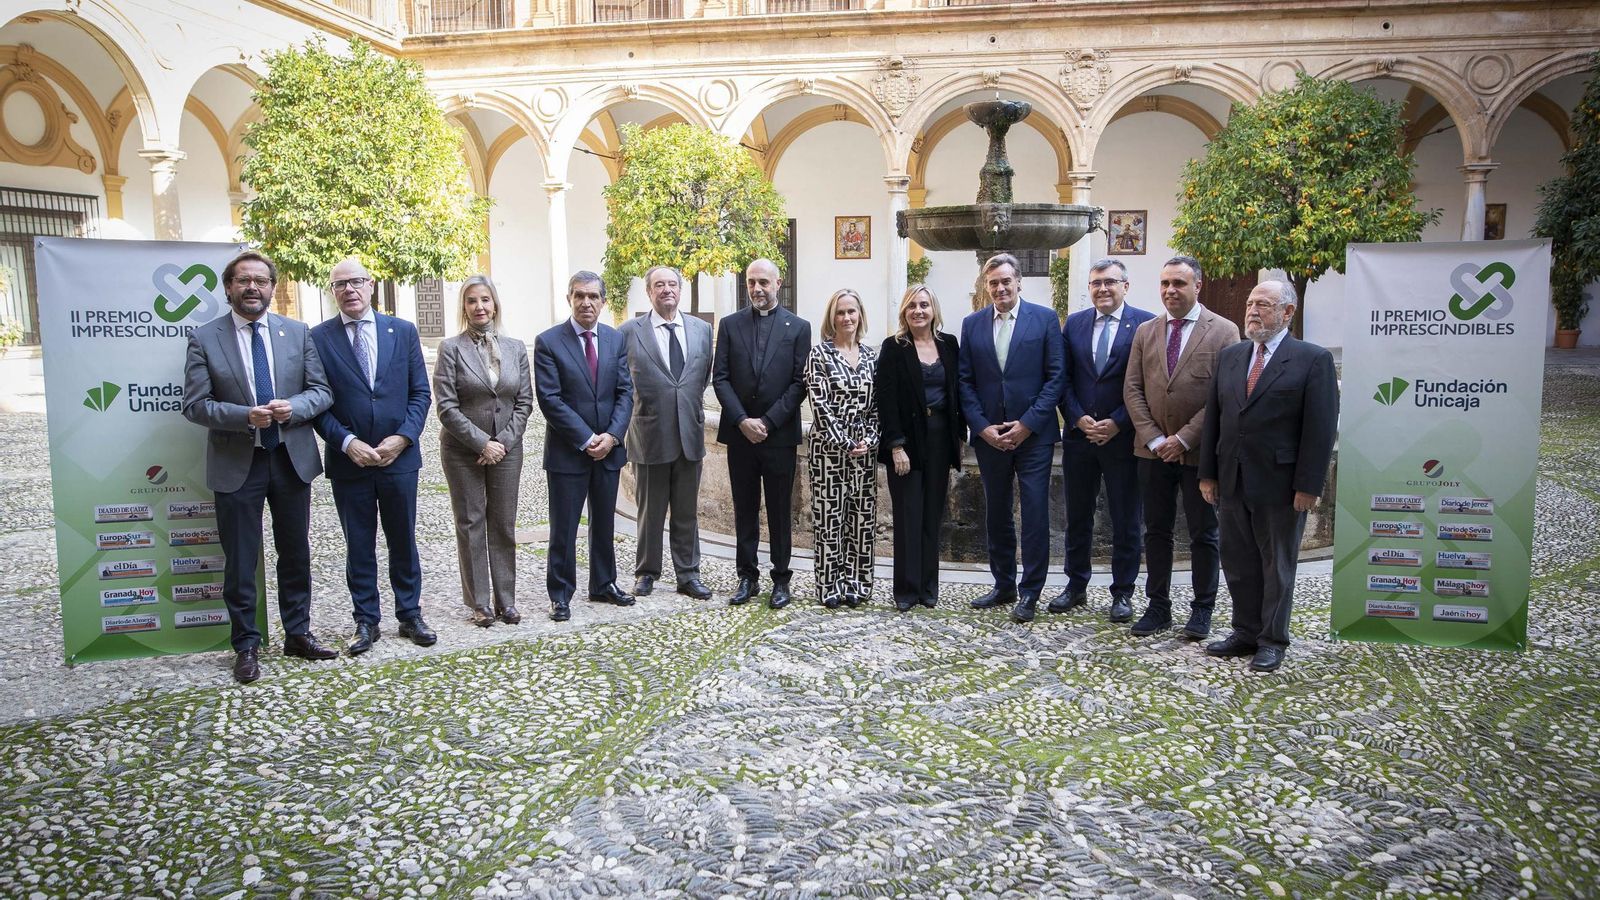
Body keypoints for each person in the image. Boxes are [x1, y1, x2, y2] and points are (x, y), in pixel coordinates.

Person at [181, 251, 335, 684]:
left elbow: (321, 392)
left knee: (296, 553)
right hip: (238, 463)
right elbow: (194, 405)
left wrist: (295, 407)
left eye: (261, 281)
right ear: (228, 287)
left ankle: (298, 633)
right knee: (241, 559)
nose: (253, 287)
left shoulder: (297, 332)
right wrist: (243, 416)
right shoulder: (205, 338)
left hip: (290, 461)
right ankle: (246, 645)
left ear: (272, 287)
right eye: (243, 280)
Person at [1199, 279, 1338, 673]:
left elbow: (1320, 429)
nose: (1252, 311)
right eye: (1249, 303)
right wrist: (1208, 474)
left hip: (1280, 484)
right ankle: (1245, 630)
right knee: (1238, 560)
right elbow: (1216, 420)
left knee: (1276, 564)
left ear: (1287, 312)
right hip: (1232, 479)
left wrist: (1308, 485)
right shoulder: (1232, 356)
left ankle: (1272, 639)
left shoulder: (1312, 360)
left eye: (1263, 304)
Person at [311, 257, 436, 654]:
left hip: (399, 459)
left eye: (356, 282)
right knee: (358, 544)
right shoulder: (317, 338)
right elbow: (317, 403)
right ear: (333, 292)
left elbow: (420, 393)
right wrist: (347, 442)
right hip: (350, 461)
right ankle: (366, 621)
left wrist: (403, 437)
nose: (349, 290)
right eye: (340, 285)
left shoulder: (402, 331)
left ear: (371, 285)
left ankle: (410, 613)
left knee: (403, 540)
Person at [1123, 255, 1240, 640]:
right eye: (1165, 284)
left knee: (1204, 533)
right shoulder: (1146, 331)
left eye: (1179, 283)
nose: (1170, 291)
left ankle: (1202, 609)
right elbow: (1133, 388)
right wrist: (1156, 438)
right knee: (1155, 531)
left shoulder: (1224, 331)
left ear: (1198, 286)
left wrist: (1184, 438)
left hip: (1199, 452)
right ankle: (1158, 607)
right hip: (1151, 452)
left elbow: (1224, 395)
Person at [957, 252, 1067, 624]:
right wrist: (982, 426)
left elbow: (1056, 378)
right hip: (990, 436)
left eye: (1006, 281)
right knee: (997, 512)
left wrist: (1027, 424)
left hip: (1032, 436)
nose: (1000, 288)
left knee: (1035, 512)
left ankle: (1031, 591)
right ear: (985, 287)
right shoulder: (972, 325)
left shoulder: (1045, 319)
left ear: (1019, 281)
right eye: (993, 283)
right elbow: (965, 382)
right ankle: (1003, 583)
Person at [1051, 259, 1155, 621]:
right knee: (1076, 516)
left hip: (1123, 439)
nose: (1102, 289)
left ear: (1125, 286)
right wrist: (1077, 417)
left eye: (1110, 282)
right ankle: (1075, 586)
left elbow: (1147, 382)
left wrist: (1117, 422)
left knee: (1126, 517)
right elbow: (1062, 377)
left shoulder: (1145, 323)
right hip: (1080, 438)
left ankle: (1122, 593)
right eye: (1096, 283)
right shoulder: (1075, 324)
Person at [534, 271, 635, 622]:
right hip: (568, 452)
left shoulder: (614, 340)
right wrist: (586, 438)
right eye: (579, 295)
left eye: (593, 296)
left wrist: (612, 435)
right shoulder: (548, 342)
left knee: (604, 522)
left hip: (609, 448)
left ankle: (604, 583)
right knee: (564, 526)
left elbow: (625, 392)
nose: (586, 302)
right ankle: (560, 593)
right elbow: (550, 399)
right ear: (569, 299)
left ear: (603, 302)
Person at [433, 276, 533, 627]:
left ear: (495, 305)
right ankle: (480, 602)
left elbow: (524, 401)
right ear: (464, 307)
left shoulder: (515, 347)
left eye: (485, 300)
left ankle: (506, 599)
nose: (480, 307)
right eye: (472, 301)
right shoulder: (451, 348)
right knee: (472, 521)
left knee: (503, 523)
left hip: (508, 449)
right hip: (463, 451)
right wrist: (481, 443)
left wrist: (502, 443)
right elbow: (446, 407)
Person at [712, 258, 811, 610]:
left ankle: (781, 578)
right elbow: (719, 378)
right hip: (740, 436)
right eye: (751, 282)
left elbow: (800, 382)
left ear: (778, 283)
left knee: (781, 509)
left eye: (764, 282)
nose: (757, 289)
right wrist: (742, 420)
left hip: (779, 435)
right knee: (745, 507)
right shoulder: (729, 324)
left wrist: (767, 422)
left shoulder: (798, 327)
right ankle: (747, 576)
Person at [617, 266, 714, 601]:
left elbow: (701, 377)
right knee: (650, 511)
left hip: (689, 433)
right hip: (649, 433)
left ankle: (688, 574)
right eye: (659, 285)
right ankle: (646, 572)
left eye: (672, 284)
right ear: (649, 292)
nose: (667, 290)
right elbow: (622, 381)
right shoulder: (629, 331)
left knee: (687, 511)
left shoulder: (701, 330)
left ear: (680, 289)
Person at [876, 284, 961, 611]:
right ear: (904, 312)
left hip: (941, 437)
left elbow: (958, 390)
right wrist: (896, 445)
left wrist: (963, 434)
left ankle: (928, 588)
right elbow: (886, 399)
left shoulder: (949, 344)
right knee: (908, 515)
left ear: (933, 309)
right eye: (912, 306)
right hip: (908, 441)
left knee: (931, 516)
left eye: (924, 305)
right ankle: (906, 591)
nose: (918, 311)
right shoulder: (894, 347)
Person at [805, 289, 879, 609]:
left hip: (865, 452)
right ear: (831, 318)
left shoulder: (872, 356)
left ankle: (859, 582)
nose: (847, 318)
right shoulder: (819, 355)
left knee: (862, 520)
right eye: (840, 312)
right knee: (829, 519)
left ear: (860, 314)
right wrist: (846, 442)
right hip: (828, 452)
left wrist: (871, 439)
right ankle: (829, 584)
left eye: (852, 311)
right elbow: (820, 407)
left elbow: (879, 407)